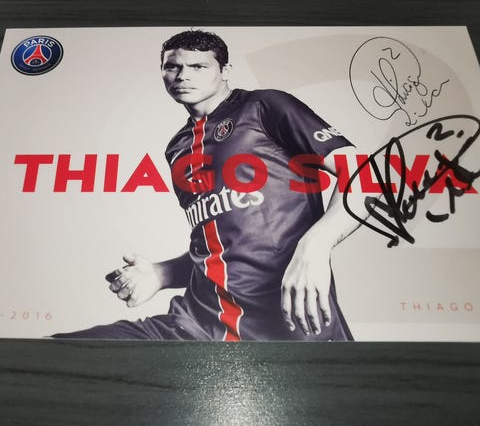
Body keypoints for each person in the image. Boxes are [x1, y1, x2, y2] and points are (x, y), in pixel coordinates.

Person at [53, 30, 361, 341]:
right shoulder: (177, 147)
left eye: (198, 66)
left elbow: (366, 175)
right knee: (56, 353)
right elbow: (225, 247)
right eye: (172, 67)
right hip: (194, 325)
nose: (182, 76)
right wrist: (162, 274)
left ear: (225, 71)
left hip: (289, 327)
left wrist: (315, 245)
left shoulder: (264, 106)